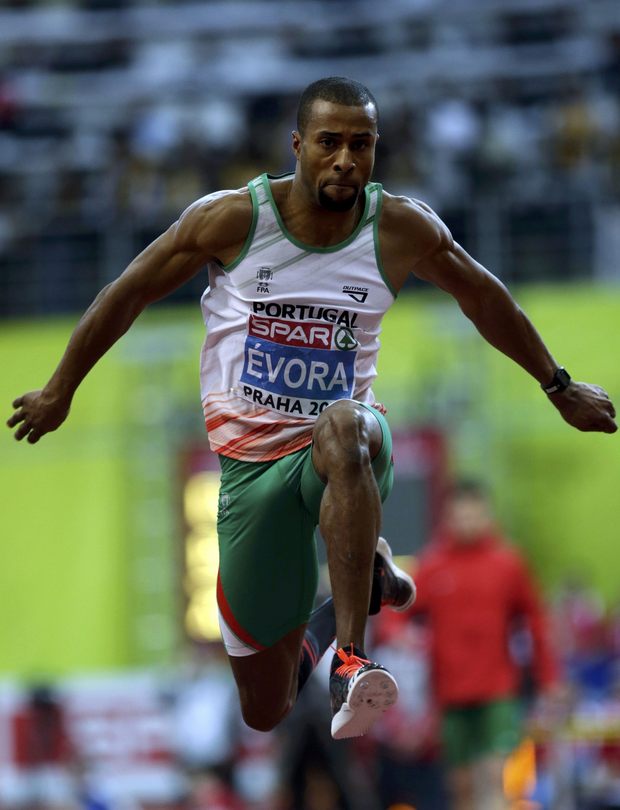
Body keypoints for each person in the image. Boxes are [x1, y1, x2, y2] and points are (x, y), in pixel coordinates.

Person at [6, 77, 616, 741]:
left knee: (344, 422)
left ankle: (350, 663)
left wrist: (559, 386)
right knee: (264, 709)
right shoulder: (233, 219)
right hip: (250, 473)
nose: (346, 160)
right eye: (330, 143)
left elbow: (484, 297)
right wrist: (61, 389)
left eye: (363, 144)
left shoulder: (401, 228)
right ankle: (365, 581)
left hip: (346, 451)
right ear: (298, 145)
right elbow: (126, 293)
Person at [403, 479, 562, 810]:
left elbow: (536, 623)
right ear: (447, 517)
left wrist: (549, 680)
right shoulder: (432, 566)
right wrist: (402, 637)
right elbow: (398, 611)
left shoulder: (508, 564)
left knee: (495, 779)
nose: (466, 523)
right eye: (458, 516)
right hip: (448, 693)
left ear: (486, 514)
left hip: (498, 690)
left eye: (473, 515)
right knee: (459, 787)